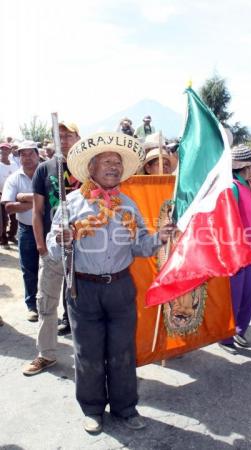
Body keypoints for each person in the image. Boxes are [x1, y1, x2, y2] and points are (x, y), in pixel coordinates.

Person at [46, 132, 174, 433]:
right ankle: (92, 409)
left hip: (119, 287)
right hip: (83, 289)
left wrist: (159, 238)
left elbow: (140, 245)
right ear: (91, 168)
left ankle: (125, 408)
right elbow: (53, 249)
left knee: (122, 352)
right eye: (107, 162)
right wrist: (62, 239)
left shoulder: (128, 205)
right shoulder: (71, 204)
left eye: (118, 162)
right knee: (87, 353)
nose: (114, 167)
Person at [22, 122, 81, 377]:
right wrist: (41, 247)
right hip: (54, 249)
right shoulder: (45, 169)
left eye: (69, 135)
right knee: (46, 303)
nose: (64, 140)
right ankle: (46, 354)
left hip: (84, 250)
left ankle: (88, 356)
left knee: (82, 305)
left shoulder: (88, 167)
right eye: (59, 136)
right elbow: (37, 212)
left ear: (79, 137)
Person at [219, 145, 251, 354]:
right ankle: (226, 337)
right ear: (245, 167)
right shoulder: (233, 187)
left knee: (249, 296)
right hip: (238, 251)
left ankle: (238, 331)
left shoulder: (249, 186)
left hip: (250, 250)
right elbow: (230, 220)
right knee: (235, 296)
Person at [1, 141, 40, 321]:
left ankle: (58, 309)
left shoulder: (48, 174)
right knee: (29, 269)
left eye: (30, 154)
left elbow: (56, 198)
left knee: (56, 269)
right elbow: (9, 207)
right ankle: (32, 306)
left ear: (37, 155)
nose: (26, 158)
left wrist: (23, 198)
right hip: (26, 230)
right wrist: (39, 200)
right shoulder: (14, 178)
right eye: (22, 154)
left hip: (49, 229)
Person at [0, 142, 18, 247]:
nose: (3, 151)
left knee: (14, 218)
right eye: (2, 149)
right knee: (3, 219)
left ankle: (11, 235)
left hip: (12, 195)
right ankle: (3, 239)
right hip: (1, 194)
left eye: (6, 149)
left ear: (10, 151)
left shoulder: (14, 165)